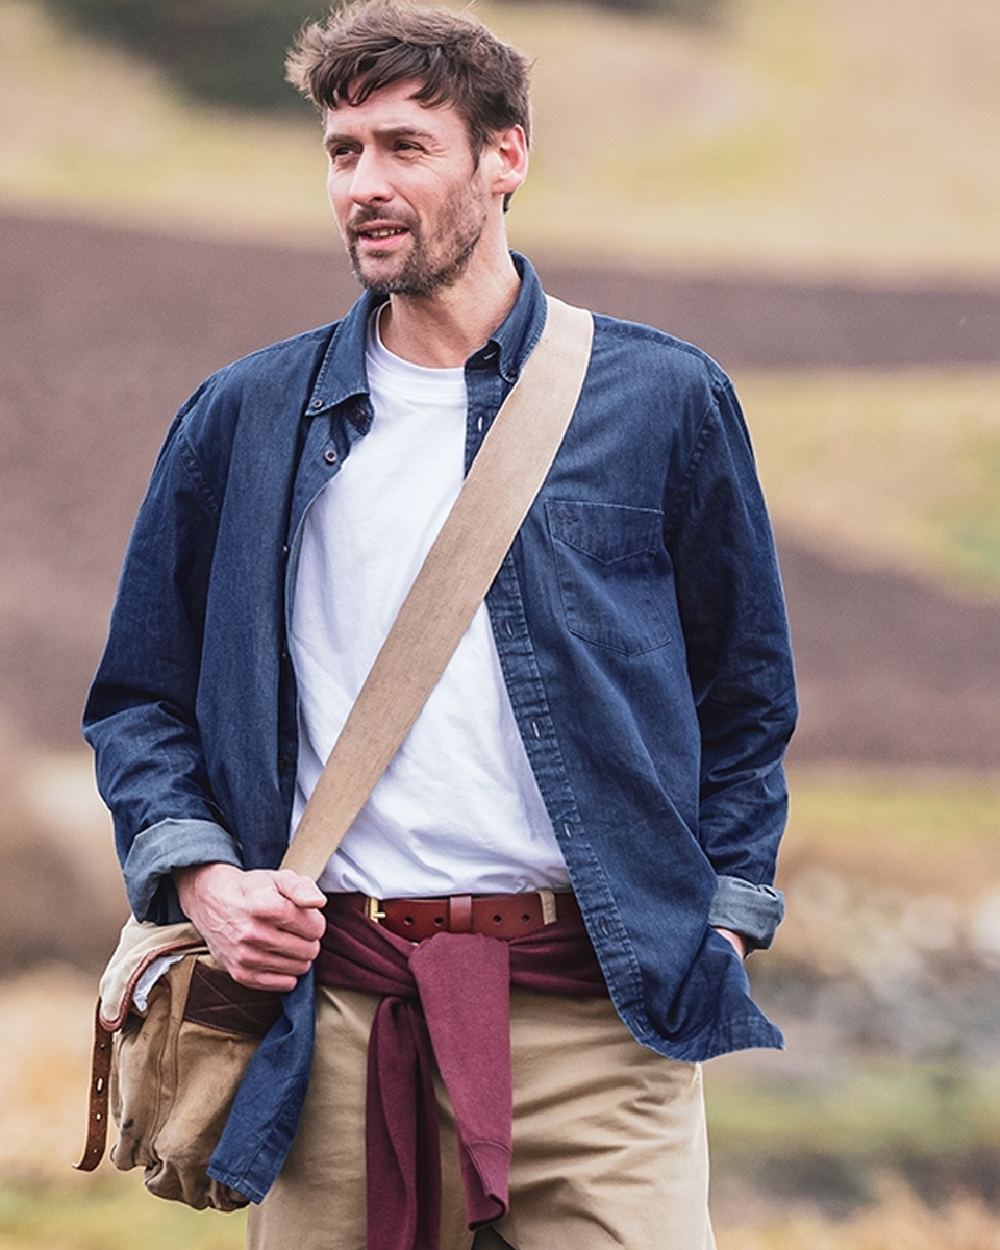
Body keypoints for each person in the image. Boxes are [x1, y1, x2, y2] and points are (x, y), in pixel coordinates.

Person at [84, 2, 797, 1247]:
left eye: (406, 146)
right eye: (342, 150)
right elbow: (141, 697)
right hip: (340, 1010)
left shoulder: (663, 399)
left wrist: (727, 917)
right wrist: (203, 879)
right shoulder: (243, 416)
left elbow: (743, 695)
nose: (364, 183)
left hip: (600, 1016)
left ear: (504, 156)